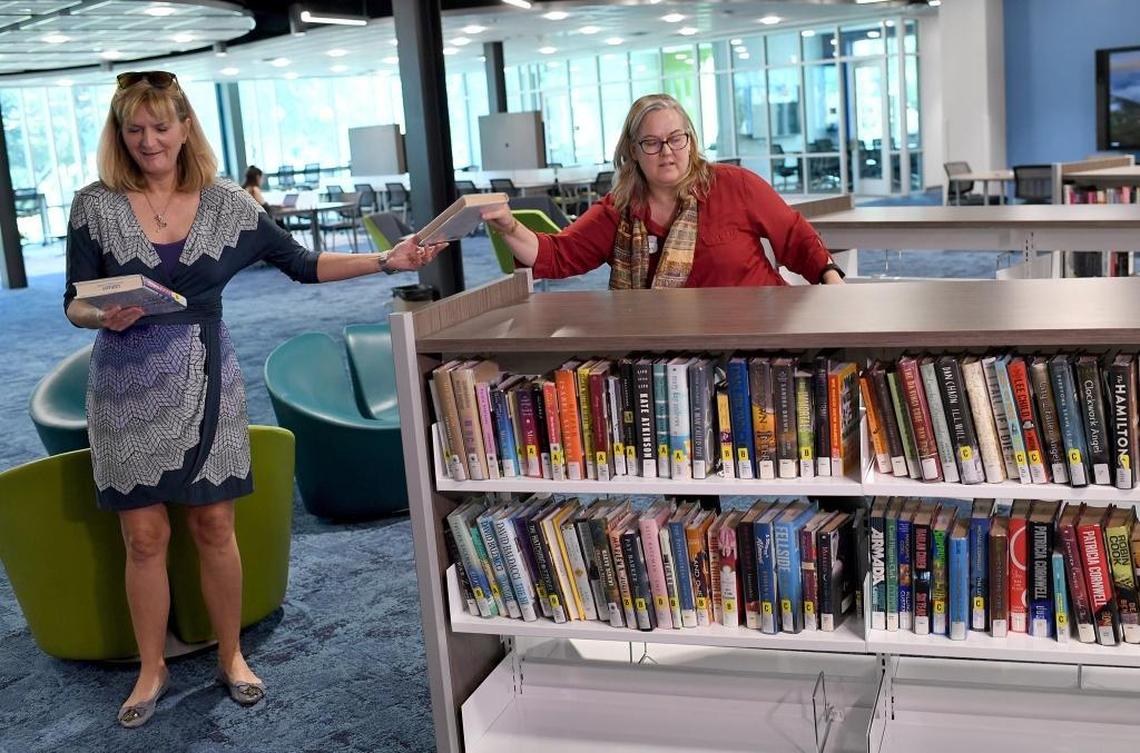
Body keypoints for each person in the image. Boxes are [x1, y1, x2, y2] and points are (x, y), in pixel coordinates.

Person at [63, 70, 445, 729]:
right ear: (118, 134)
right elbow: (74, 301)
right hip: (125, 385)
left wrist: (388, 260)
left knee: (215, 525)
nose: (149, 141)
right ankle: (152, 667)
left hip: (208, 378)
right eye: (134, 129)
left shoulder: (228, 204)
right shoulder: (93, 205)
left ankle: (231, 655)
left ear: (186, 127)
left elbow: (302, 263)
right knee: (143, 536)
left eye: (161, 126)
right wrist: (102, 316)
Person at [482, 93, 845, 288]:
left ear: (690, 140)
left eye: (675, 138)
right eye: (652, 142)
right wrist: (509, 227)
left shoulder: (734, 184)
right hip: (668, 356)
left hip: (758, 340)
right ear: (634, 150)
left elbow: (794, 235)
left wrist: (830, 279)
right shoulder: (618, 211)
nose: (667, 151)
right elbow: (557, 255)